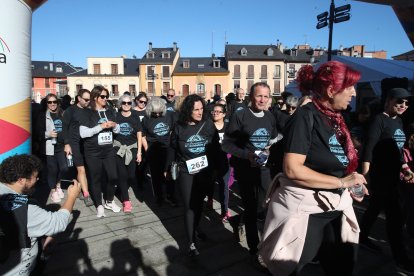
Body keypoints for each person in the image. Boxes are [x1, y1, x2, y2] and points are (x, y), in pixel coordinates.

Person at [259, 61, 367, 276]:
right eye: (350, 87)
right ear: (331, 90)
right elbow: (292, 169)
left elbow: (335, 160)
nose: (354, 93)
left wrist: (352, 181)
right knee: (291, 267)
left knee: (342, 265)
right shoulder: (305, 116)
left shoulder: (336, 117)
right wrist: (341, 182)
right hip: (308, 209)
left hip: (335, 206)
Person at [222, 82, 278, 265]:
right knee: (252, 209)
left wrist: (269, 149)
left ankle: (238, 220)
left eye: (266, 96)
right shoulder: (241, 116)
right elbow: (227, 145)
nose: (262, 100)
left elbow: (272, 139)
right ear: (251, 97)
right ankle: (255, 250)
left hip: (264, 170)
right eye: (259, 96)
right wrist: (247, 155)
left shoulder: (270, 117)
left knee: (264, 206)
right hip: (245, 169)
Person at [360, 87, 414, 272]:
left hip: (394, 176)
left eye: (406, 102)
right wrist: (365, 176)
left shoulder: (398, 122)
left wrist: (405, 167)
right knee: (395, 217)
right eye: (399, 101)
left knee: (375, 208)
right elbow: (369, 148)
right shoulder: (379, 120)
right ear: (389, 101)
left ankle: (361, 236)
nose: (403, 105)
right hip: (381, 176)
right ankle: (401, 258)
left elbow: (398, 150)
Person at [0, 154, 80, 276]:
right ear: (21, 180)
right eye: (35, 177)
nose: (37, 180)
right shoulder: (23, 209)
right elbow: (57, 223)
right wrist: (72, 196)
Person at [167, 94, 220, 256]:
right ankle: (190, 243)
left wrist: (215, 170)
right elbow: (172, 148)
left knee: (198, 204)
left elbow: (216, 149)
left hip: (204, 172)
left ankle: (196, 228)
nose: (199, 112)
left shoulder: (209, 125)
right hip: (185, 171)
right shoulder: (179, 127)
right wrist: (167, 167)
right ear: (187, 110)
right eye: (195, 109)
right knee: (189, 207)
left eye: (201, 109)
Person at [79, 85, 121, 217]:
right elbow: (83, 133)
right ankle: (99, 205)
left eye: (106, 96)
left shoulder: (109, 111)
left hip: (108, 149)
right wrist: (100, 126)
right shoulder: (87, 113)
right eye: (103, 96)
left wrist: (114, 126)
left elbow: (118, 130)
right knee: (95, 178)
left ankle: (109, 200)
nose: (105, 99)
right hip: (92, 151)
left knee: (113, 176)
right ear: (95, 97)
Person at [141, 97, 176, 206]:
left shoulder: (170, 116)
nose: (157, 115)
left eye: (159, 112)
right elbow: (142, 135)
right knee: (156, 176)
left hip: (168, 149)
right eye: (154, 113)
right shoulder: (146, 119)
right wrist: (146, 148)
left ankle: (171, 195)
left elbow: (173, 131)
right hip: (153, 150)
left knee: (169, 173)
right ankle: (159, 197)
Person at [62, 89, 93, 206]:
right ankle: (86, 194)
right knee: (81, 169)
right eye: (85, 99)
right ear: (79, 98)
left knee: (86, 169)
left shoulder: (89, 111)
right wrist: (66, 144)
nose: (87, 102)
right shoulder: (70, 111)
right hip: (74, 143)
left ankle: (80, 188)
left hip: (87, 144)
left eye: (89, 99)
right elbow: (64, 128)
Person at [36, 93, 69, 203]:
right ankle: (53, 191)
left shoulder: (62, 113)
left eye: (54, 102)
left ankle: (58, 184)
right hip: (49, 147)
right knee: (52, 169)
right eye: (49, 102)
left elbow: (66, 130)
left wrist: (67, 143)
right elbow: (38, 133)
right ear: (46, 103)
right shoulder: (42, 115)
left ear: (57, 103)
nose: (52, 104)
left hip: (61, 146)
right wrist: (48, 134)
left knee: (64, 168)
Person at [113, 94, 142, 213]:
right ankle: (126, 201)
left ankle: (122, 188)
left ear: (132, 104)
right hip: (118, 149)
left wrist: (139, 152)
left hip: (132, 149)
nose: (126, 105)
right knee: (122, 175)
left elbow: (139, 134)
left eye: (129, 103)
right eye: (124, 103)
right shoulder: (116, 116)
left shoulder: (135, 116)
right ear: (120, 104)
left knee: (131, 175)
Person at [210, 103, 232, 221]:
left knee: (224, 185)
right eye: (214, 111)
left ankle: (225, 211)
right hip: (210, 161)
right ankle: (209, 198)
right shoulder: (208, 126)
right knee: (209, 183)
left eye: (218, 112)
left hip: (224, 161)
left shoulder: (228, 127)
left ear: (224, 114)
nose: (215, 113)